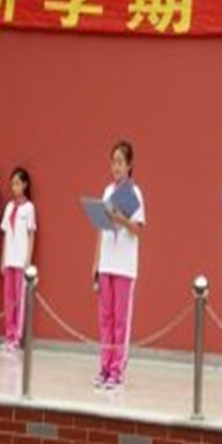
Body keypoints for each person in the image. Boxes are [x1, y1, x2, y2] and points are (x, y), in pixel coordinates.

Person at [91, 141, 146, 391]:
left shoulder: (134, 193)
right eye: (113, 162)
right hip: (106, 263)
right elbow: (101, 229)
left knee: (120, 320)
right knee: (106, 318)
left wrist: (121, 219)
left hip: (124, 266)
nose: (116, 167)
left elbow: (138, 230)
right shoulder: (107, 191)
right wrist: (95, 263)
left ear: (130, 165)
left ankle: (117, 370)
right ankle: (104, 366)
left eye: (120, 162)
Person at [0, 167, 36, 351]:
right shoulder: (9, 207)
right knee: (8, 301)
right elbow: (6, 235)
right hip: (9, 260)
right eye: (12, 184)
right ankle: (9, 334)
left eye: (17, 183)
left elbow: (31, 234)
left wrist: (28, 259)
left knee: (19, 301)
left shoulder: (29, 208)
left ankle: (17, 337)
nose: (14, 187)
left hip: (21, 261)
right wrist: (2, 259)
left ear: (25, 185)